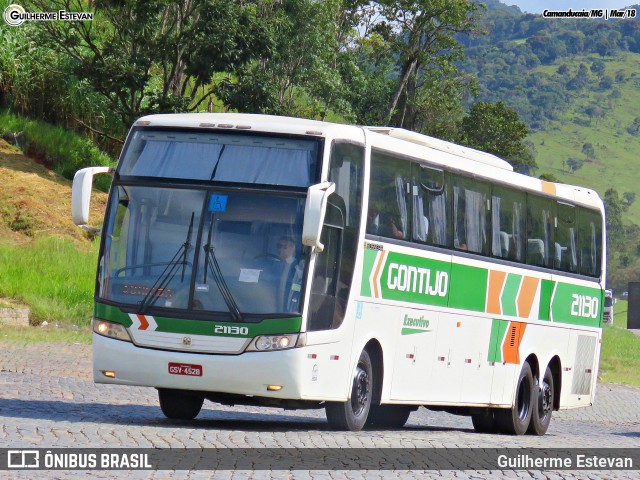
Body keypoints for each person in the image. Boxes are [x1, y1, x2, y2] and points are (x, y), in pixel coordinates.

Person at [276, 236, 303, 311]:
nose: (280, 250)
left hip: (288, 306)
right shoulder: (274, 264)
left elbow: (297, 288)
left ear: (292, 248)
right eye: (279, 247)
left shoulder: (297, 269)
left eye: (284, 247)